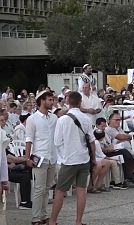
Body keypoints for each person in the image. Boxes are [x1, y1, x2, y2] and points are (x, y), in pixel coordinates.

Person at [49, 91, 96, 225]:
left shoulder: (62, 119)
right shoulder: (86, 118)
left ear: (68, 102)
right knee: (81, 190)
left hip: (69, 159)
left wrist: (63, 154)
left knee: (60, 190)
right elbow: (91, 141)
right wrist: (93, 159)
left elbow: (57, 141)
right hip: (84, 158)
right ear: (80, 102)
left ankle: (53, 221)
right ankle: (78, 221)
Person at [24, 91, 57, 225]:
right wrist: (27, 158)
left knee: (47, 188)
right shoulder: (32, 119)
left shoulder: (54, 118)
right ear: (42, 101)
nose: (52, 102)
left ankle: (43, 215)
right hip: (39, 157)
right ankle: (36, 218)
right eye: (49, 100)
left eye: (52, 100)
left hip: (52, 157)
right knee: (39, 188)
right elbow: (29, 139)